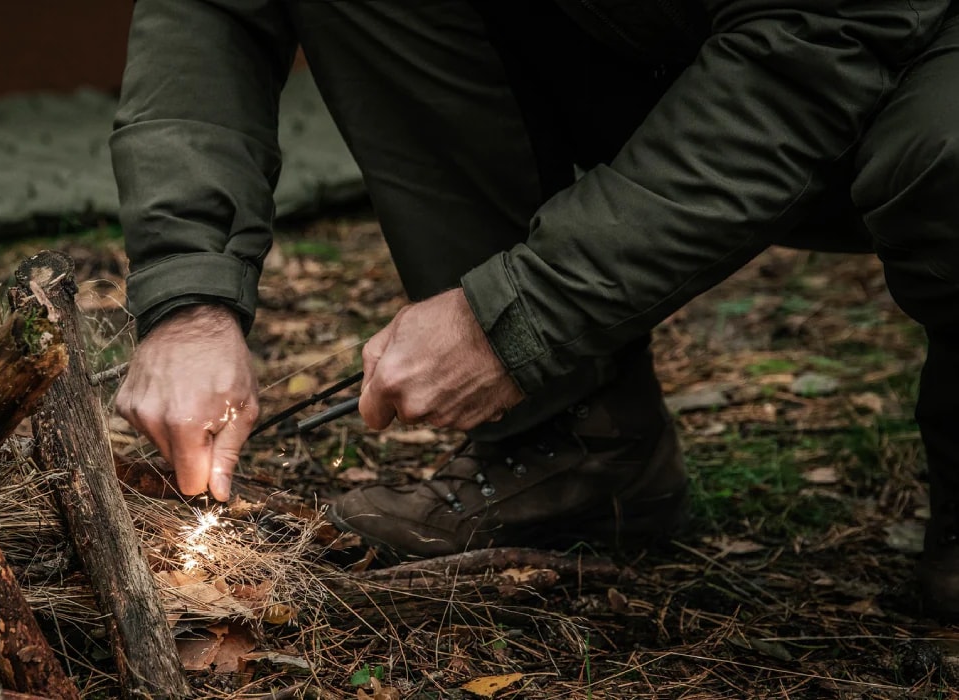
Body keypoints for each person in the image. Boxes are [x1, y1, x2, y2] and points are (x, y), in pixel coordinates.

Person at [109, 0, 959, 615]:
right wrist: (190, 298)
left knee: (945, 157)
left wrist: (516, 316)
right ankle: (573, 443)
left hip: (894, 48)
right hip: (646, 42)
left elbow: (809, 53)